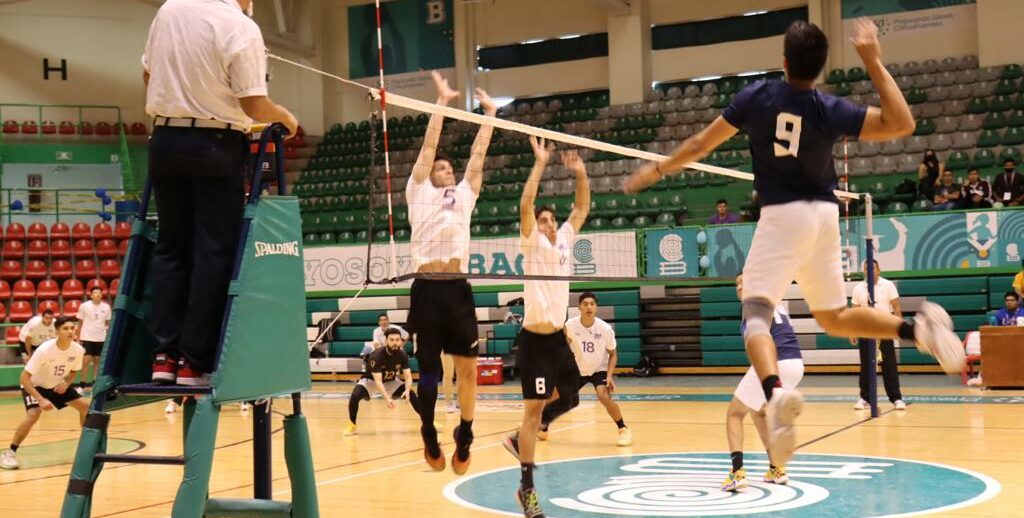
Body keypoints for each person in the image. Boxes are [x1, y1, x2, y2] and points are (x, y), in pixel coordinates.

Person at [624, 19, 962, 467]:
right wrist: (873, 61)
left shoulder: (757, 97)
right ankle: (915, 329)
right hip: (824, 215)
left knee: (756, 316)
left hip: (782, 215)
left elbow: (700, 143)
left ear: (784, 61)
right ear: (821, 70)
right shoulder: (828, 107)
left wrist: (659, 170)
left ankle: (775, 394)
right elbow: (902, 122)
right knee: (835, 317)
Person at [143, 0, 299, 386]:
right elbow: (253, 103)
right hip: (215, 143)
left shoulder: (168, 10)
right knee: (213, 251)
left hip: (164, 140)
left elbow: (149, 75)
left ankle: (165, 354)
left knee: (171, 247)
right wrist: (286, 117)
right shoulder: (239, 25)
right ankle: (195, 362)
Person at [404, 70, 496, 473]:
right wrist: (441, 102)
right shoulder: (418, 189)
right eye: (440, 167)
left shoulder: (464, 194)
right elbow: (428, 145)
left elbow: (478, 156)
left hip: (457, 290)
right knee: (428, 374)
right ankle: (428, 430)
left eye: (447, 168)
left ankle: (467, 433)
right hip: (426, 288)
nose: (445, 169)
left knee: (467, 373)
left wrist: (489, 114)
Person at [502, 137, 589, 518]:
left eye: (551, 220)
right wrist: (540, 164)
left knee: (571, 397)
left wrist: (582, 173)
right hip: (535, 344)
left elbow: (582, 207)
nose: (549, 224)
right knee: (534, 414)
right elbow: (524, 205)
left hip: (558, 339)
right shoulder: (532, 244)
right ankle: (527, 490)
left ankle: (515, 440)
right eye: (543, 220)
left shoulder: (566, 240)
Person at [722, 274, 803, 492]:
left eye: (744, 282)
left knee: (734, 414)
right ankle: (777, 468)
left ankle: (737, 473)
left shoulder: (751, 308)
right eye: (736, 283)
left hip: (777, 363)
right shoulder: (772, 300)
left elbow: (761, 344)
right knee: (757, 411)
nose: (739, 287)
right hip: (796, 363)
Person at [534, 292, 632, 447]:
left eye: (592, 304)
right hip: (577, 369)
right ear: (579, 307)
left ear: (596, 307)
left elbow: (613, 355)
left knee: (603, 396)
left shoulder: (605, 329)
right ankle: (543, 426)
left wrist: (610, 375)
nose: (589, 307)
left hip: (598, 369)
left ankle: (623, 429)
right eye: (585, 304)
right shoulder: (570, 326)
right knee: (555, 395)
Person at [1, 317, 88, 470]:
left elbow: (74, 371)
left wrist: (66, 383)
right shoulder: (45, 350)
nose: (69, 331)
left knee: (86, 407)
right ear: (57, 332)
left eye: (71, 328)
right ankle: (9, 453)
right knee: (34, 413)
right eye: (65, 329)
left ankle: (87, 446)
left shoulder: (78, 350)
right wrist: (40, 399)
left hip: (56, 385)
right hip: (34, 385)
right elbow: (24, 377)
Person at [849, 261, 905, 411]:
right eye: (866, 269)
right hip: (865, 331)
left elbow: (897, 307)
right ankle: (865, 398)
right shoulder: (858, 288)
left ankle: (896, 398)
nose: (869, 271)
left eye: (872, 268)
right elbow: (854, 311)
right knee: (866, 366)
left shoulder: (888, 285)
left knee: (889, 365)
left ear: (879, 270)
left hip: (884, 329)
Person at [343, 329, 416, 436]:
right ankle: (352, 425)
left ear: (401, 341)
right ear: (386, 341)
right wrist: (387, 398)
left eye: (397, 340)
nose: (395, 343)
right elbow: (378, 381)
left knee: (413, 394)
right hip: (371, 381)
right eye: (392, 340)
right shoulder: (377, 356)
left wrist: (408, 391)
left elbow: (408, 377)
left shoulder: (402, 355)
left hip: (390, 381)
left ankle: (428, 422)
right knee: (355, 396)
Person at [77, 286, 112, 390]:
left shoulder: (106, 307)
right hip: (87, 337)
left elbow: (107, 323)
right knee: (85, 361)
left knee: (98, 361)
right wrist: (78, 337)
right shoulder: (84, 306)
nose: (97, 294)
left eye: (99, 292)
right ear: (91, 295)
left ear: (102, 295)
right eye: (95, 293)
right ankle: (82, 385)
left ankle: (95, 383)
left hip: (101, 338)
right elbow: (80, 322)